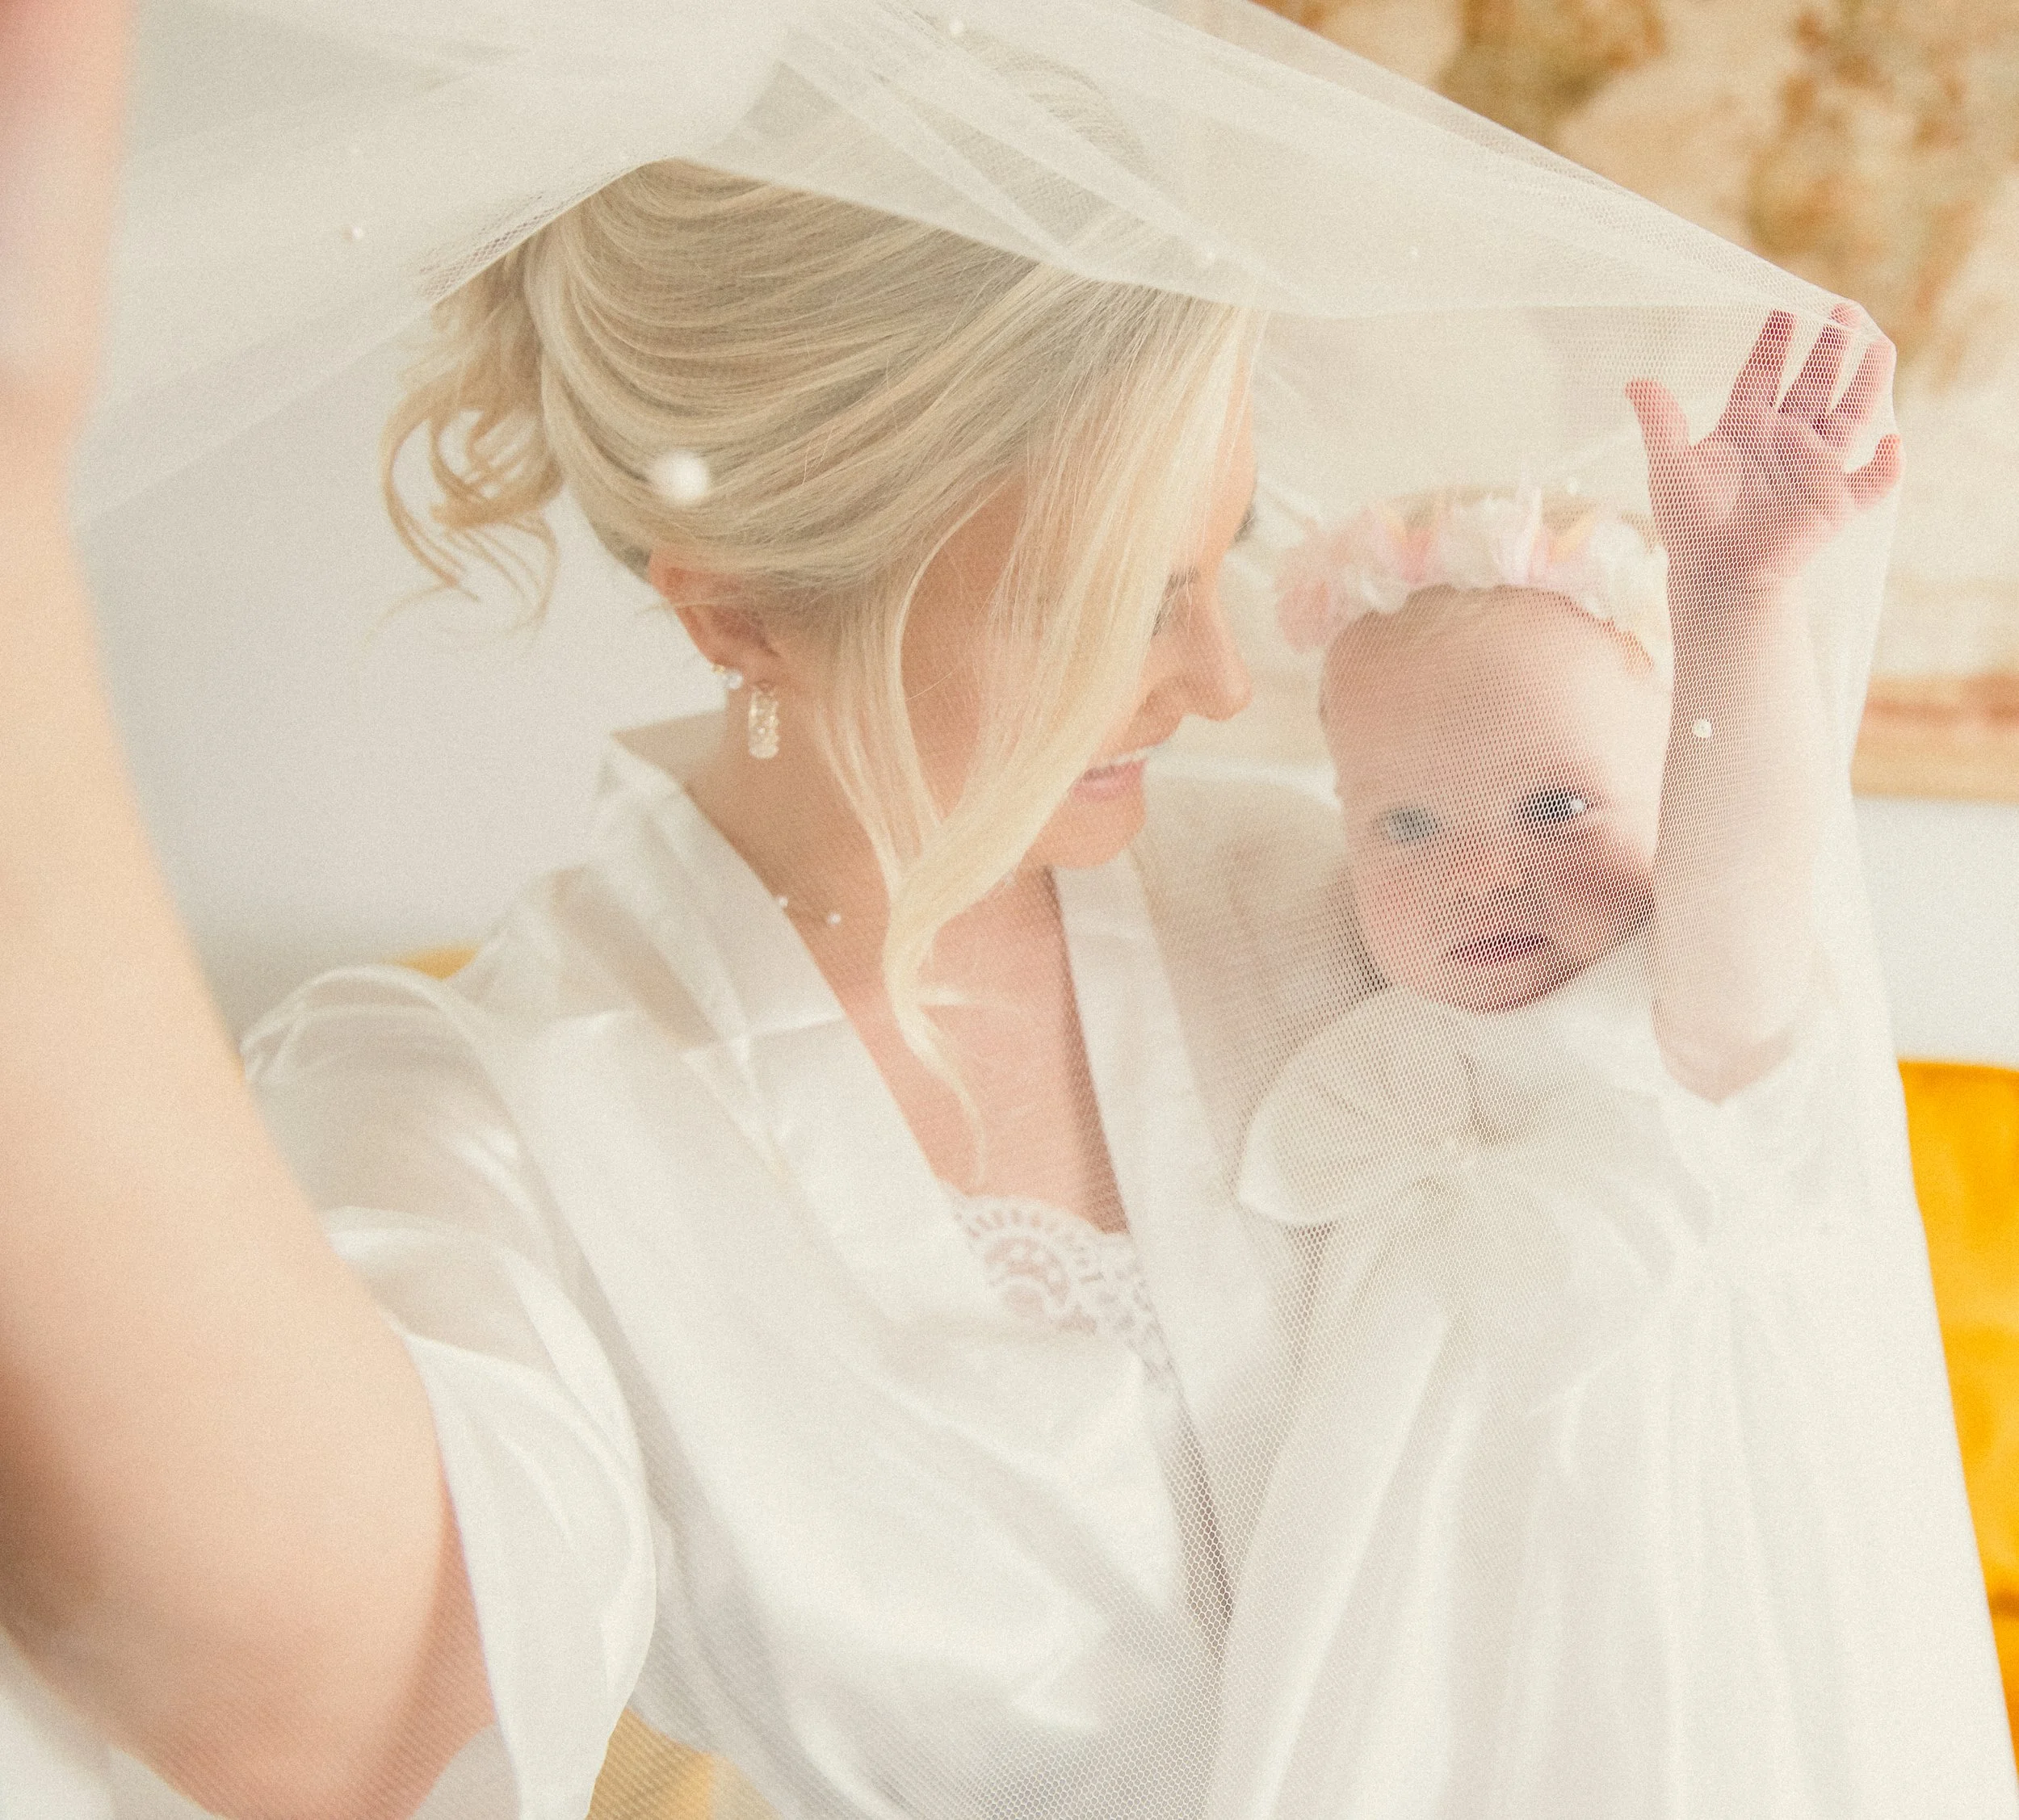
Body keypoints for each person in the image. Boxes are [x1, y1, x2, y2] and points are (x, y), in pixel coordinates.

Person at [3, 2, 2013, 1819]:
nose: (1226, 683)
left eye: (1218, 561)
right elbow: (318, 1703)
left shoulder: (1367, 886)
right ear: (732, 603)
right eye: (1115, 596)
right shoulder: (513, 1109)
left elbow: (1753, 1107)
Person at [1212, 327, 1954, 1818]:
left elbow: (1750, 862)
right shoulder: (1376, 1037)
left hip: (1667, 1581)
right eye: (1406, 827)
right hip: (1407, 1603)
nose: (1482, 873)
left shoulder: (1692, 1017)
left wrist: (1740, 602)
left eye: (1558, 802)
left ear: (1668, 801)